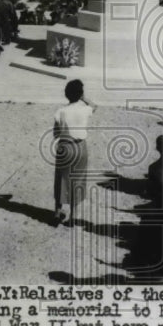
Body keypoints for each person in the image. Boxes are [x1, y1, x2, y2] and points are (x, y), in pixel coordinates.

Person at [53, 79, 97, 225]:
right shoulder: (85, 109)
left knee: (61, 179)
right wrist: (83, 97)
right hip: (80, 146)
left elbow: (56, 134)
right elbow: (94, 106)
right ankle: (73, 216)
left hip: (65, 146)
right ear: (80, 94)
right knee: (78, 180)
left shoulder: (61, 111)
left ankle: (57, 211)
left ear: (66, 94)